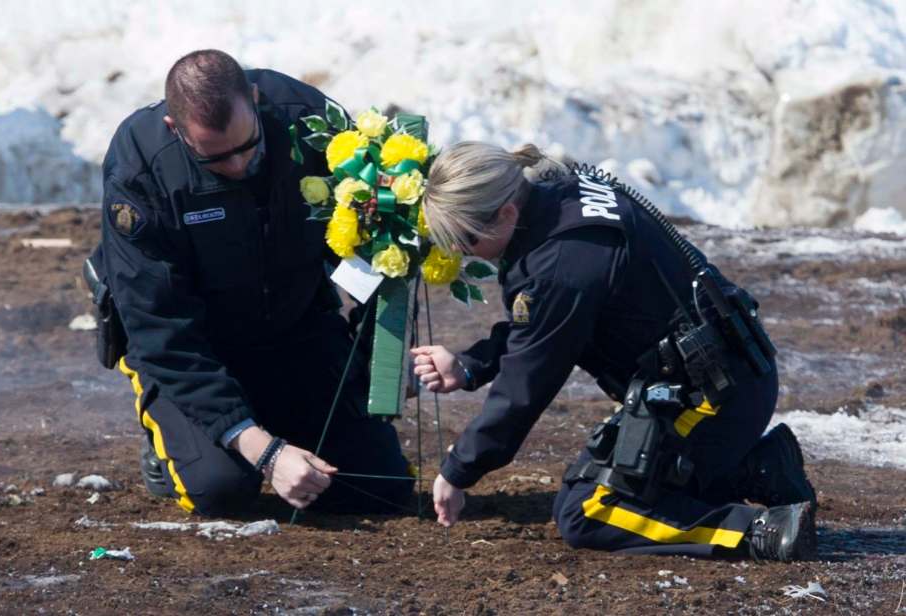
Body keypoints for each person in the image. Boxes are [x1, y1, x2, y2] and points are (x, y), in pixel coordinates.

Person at [411, 142, 818, 561]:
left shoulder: (562, 263)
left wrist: (459, 469)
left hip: (714, 397)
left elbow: (525, 387)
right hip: (725, 375)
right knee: (645, 480)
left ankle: (763, 531)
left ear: (506, 214)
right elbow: (541, 323)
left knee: (588, 510)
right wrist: (469, 365)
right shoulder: (561, 196)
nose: (458, 251)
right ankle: (758, 469)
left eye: (463, 238)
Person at [86, 49, 413, 517]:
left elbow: (378, 245)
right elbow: (159, 327)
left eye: (248, 147)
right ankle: (173, 440)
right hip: (197, 346)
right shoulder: (141, 167)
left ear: (256, 101)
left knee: (377, 485)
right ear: (175, 131)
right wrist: (266, 452)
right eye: (217, 158)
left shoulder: (313, 124)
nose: (239, 166)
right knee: (222, 492)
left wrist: (378, 364)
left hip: (295, 325)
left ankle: (276, 415)